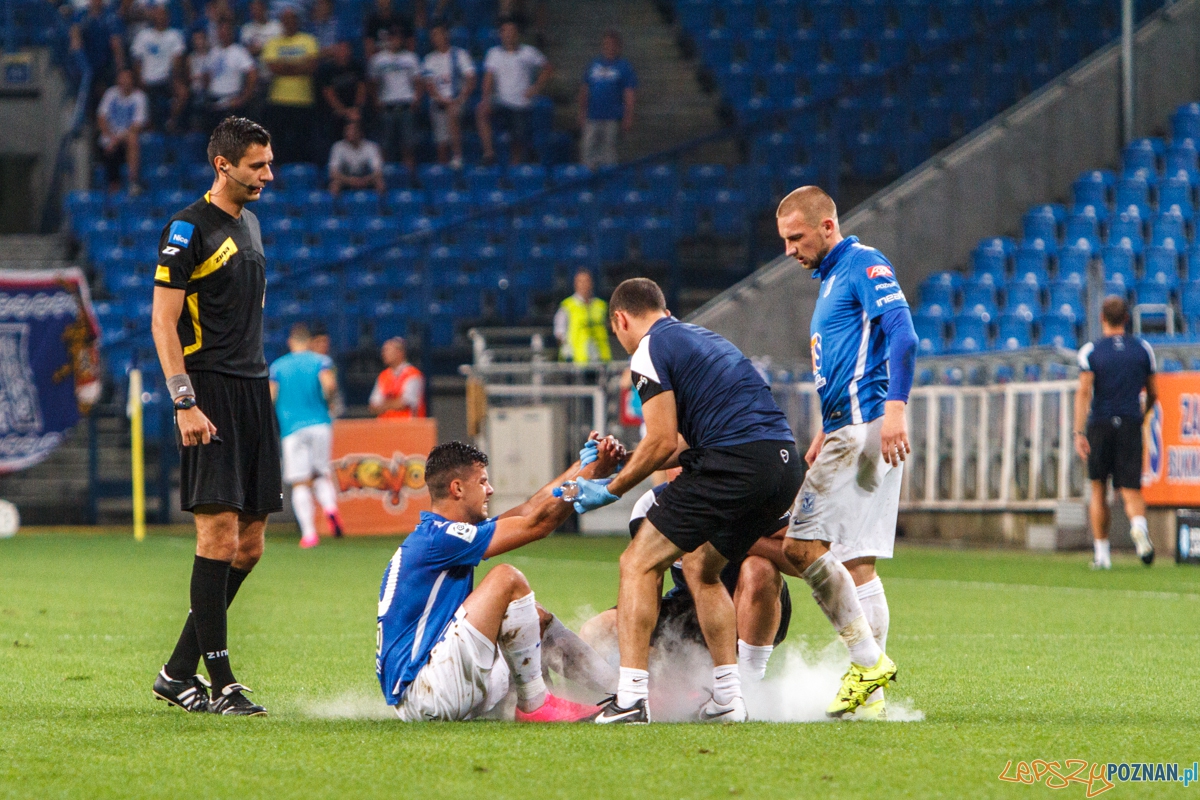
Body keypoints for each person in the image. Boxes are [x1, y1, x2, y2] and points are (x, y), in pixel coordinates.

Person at [567, 277, 803, 724]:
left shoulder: (647, 350)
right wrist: (626, 461)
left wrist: (611, 489)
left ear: (620, 320)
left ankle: (631, 700)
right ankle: (729, 699)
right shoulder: (704, 338)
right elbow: (680, 442)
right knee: (700, 568)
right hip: (783, 463)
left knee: (637, 563)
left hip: (734, 463)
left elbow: (659, 441)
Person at [149, 116, 280, 716]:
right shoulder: (186, 229)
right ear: (223, 165)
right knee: (218, 535)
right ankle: (222, 682)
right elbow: (163, 321)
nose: (267, 175)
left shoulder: (251, 223)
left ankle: (177, 673)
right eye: (257, 165)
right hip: (208, 390)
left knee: (249, 545)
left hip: (253, 390)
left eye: (268, 163)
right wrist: (184, 400)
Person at [775, 185, 916, 720]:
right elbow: (846, 363)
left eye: (797, 237)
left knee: (799, 546)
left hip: (865, 428)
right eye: (785, 239)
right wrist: (825, 427)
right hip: (852, 427)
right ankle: (871, 700)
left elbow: (903, 336)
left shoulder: (862, 264)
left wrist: (896, 409)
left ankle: (868, 663)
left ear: (828, 226)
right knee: (857, 562)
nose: (789, 249)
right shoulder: (832, 277)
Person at [377, 440, 621, 722]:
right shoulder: (439, 539)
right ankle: (535, 704)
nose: (490, 489)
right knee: (506, 578)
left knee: (535, 618)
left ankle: (619, 691)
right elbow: (537, 525)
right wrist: (582, 483)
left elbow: (529, 510)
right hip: (427, 692)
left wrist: (582, 468)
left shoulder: (442, 534)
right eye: (482, 482)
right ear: (457, 489)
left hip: (433, 685)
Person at [580, 479, 794, 683]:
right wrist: (649, 653)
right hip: (691, 606)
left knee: (759, 568)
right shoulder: (651, 505)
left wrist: (734, 538)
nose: (685, 469)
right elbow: (648, 586)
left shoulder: (752, 493)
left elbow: (798, 562)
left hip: (750, 606)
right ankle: (642, 690)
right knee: (595, 633)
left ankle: (750, 682)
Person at [1074, 295, 1157, 568]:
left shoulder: (1091, 351)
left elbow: (1084, 391)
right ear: (1126, 319)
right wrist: (1142, 413)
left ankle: (1102, 555)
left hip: (1100, 423)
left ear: (1101, 318)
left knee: (1098, 488)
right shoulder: (1143, 349)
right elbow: (1153, 392)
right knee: (1131, 489)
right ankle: (1139, 528)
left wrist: (1078, 432)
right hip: (1130, 421)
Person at [269, 323, 344, 549]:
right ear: (309, 341)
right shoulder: (321, 361)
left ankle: (309, 534)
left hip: (292, 428)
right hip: (320, 424)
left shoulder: (278, 366)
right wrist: (327, 402)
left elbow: (270, 396)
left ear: (290, 342)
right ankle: (330, 508)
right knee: (320, 474)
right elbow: (329, 385)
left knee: (300, 482)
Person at [477, 18, 550, 165]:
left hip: (521, 103)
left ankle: (514, 167)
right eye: (505, 31)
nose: (509, 34)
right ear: (501, 34)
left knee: (517, 138)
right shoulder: (494, 53)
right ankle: (489, 154)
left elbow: (548, 68)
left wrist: (536, 87)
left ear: (517, 33)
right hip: (501, 101)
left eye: (512, 31)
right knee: (481, 112)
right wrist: (485, 99)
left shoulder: (528, 52)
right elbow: (488, 78)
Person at [262, 8, 319, 162]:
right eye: (285, 20)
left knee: (303, 141)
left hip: (303, 99)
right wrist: (299, 65)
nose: (289, 23)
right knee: (279, 142)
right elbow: (274, 67)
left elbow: (311, 66)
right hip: (279, 99)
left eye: (292, 20)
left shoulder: (308, 40)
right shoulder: (273, 43)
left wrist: (285, 66)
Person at [578, 30, 636, 171]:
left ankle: (609, 178)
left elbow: (629, 93)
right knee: (588, 149)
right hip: (592, 115)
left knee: (609, 152)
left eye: (612, 44)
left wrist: (628, 116)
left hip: (612, 117)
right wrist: (581, 111)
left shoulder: (624, 67)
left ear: (618, 46)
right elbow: (585, 89)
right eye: (607, 44)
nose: (609, 47)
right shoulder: (593, 64)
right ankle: (588, 178)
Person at [421, 21, 475, 169]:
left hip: (458, 100)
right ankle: (444, 169)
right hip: (439, 101)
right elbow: (429, 86)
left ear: (446, 35)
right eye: (433, 35)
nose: (436, 38)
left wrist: (461, 97)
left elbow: (471, 79)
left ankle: (457, 155)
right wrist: (442, 99)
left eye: (439, 34)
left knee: (452, 111)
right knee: (441, 141)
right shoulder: (430, 59)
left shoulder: (460, 54)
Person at [369, 26, 421, 170]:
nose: (395, 41)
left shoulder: (411, 58)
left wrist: (416, 99)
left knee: (408, 146)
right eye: (392, 38)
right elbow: (372, 83)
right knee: (384, 146)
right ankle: (383, 176)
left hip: (406, 104)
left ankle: (409, 177)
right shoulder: (378, 60)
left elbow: (418, 81)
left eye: (397, 38)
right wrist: (376, 100)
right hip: (387, 106)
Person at [129, 4, 186, 130]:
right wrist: (140, 81)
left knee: (182, 92)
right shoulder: (143, 36)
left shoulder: (174, 35)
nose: (161, 17)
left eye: (163, 14)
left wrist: (174, 78)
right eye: (158, 14)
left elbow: (177, 61)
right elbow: (137, 61)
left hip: (166, 80)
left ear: (168, 17)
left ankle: (171, 122)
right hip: (147, 80)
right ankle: (149, 128)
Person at [96, 68, 148, 194]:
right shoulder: (111, 94)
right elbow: (101, 118)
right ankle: (113, 185)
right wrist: (111, 137)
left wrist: (118, 139)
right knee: (108, 146)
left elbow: (137, 125)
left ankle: (133, 181)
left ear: (132, 80)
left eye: (127, 78)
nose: (124, 81)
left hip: (126, 138)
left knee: (132, 139)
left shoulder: (139, 97)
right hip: (110, 138)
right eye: (121, 78)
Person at [203, 18, 257, 130]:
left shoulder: (239, 51)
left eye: (226, 31)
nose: (223, 34)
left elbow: (252, 74)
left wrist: (244, 97)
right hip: (214, 99)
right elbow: (207, 73)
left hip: (232, 101)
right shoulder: (213, 52)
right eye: (220, 31)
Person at [317, 40, 367, 154]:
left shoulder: (356, 66)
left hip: (355, 110)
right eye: (340, 50)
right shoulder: (327, 69)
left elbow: (361, 88)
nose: (343, 53)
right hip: (335, 112)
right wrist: (344, 111)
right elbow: (328, 93)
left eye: (346, 50)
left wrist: (356, 108)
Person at [553, 268, 611, 364]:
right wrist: (566, 350)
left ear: (592, 283)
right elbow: (559, 332)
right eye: (580, 281)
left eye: (587, 281)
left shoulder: (601, 306)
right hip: (576, 362)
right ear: (575, 284)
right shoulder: (567, 306)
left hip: (601, 360)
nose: (584, 285)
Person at [369, 336, 425, 418]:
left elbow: (406, 402)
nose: (383, 354)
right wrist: (393, 403)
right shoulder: (383, 376)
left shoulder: (413, 374)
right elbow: (373, 406)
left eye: (387, 350)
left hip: (408, 424)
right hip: (385, 425)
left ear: (399, 353)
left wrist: (384, 404)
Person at [327, 120, 385, 195]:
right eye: (347, 131)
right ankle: (335, 203)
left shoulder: (371, 146)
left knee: (380, 183)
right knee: (334, 185)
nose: (349, 133)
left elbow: (378, 171)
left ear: (360, 133)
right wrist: (350, 180)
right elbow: (333, 173)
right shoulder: (338, 147)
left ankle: (380, 202)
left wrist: (365, 180)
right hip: (346, 179)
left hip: (367, 178)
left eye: (353, 131)